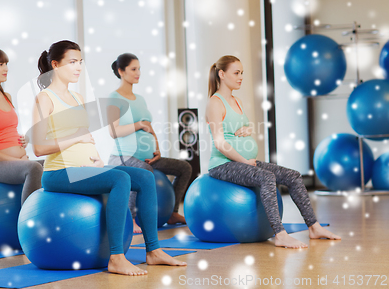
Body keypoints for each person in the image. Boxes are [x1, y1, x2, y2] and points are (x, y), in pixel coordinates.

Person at [31, 40, 186, 275]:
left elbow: (88, 138)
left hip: (84, 168)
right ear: (55, 64)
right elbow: (39, 148)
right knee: (120, 180)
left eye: (80, 62)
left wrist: (97, 161)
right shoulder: (45, 99)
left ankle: (153, 251)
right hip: (58, 174)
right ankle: (116, 257)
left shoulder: (78, 98)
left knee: (144, 177)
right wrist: (76, 138)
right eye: (72, 62)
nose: (78, 67)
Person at [205, 55, 341, 248]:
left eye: (242, 73)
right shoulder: (215, 103)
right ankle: (280, 234)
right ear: (221, 74)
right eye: (236, 73)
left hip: (245, 161)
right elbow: (219, 142)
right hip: (223, 165)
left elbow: (242, 126)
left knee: (292, 175)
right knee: (267, 178)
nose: (241, 77)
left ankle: (314, 226)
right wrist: (244, 161)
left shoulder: (237, 101)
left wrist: (248, 130)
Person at [107, 53, 192, 233]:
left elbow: (150, 127)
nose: (138, 73)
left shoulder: (141, 99)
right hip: (123, 157)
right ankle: (130, 218)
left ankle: (172, 212)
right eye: (133, 69)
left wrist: (157, 149)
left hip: (149, 157)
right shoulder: (114, 98)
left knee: (184, 168)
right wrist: (138, 124)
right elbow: (113, 131)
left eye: (139, 69)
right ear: (121, 71)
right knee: (143, 172)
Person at [0, 47, 43, 204]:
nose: (6, 68)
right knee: (34, 168)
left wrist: (21, 141)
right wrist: (16, 160)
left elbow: (5, 130)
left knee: (51, 165)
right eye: (1, 64)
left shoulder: (7, 97)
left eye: (6, 64)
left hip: (16, 160)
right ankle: (27, 222)